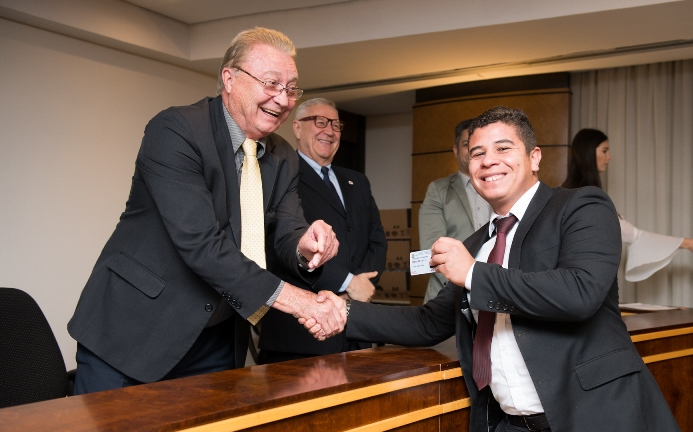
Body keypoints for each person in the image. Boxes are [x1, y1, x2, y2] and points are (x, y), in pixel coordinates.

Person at [325, 106, 684, 432]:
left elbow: (580, 292)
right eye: (477, 153)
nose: (488, 161)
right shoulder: (476, 244)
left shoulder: (581, 206)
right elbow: (428, 323)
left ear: (534, 157)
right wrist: (342, 312)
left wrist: (474, 274)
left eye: (503, 148)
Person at [68, 27, 345, 395]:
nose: (282, 99)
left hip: (218, 338)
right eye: (271, 83)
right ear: (229, 79)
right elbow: (202, 244)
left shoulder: (284, 156)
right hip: (134, 332)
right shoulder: (176, 131)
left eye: (291, 89)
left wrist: (304, 245)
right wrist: (302, 303)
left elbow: (287, 229)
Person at [258, 98, 387, 363]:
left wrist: (361, 286)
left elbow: (377, 242)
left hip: (356, 330)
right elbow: (278, 246)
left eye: (336, 125)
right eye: (320, 122)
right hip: (300, 337)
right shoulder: (279, 174)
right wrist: (347, 283)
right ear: (297, 128)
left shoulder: (357, 181)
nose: (329, 131)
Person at [562, 128, 693, 282]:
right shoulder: (586, 196)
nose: (609, 157)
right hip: (580, 281)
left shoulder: (570, 193)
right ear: (588, 152)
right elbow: (633, 235)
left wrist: (688, 243)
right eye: (604, 151)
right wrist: (689, 243)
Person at [418, 119, 491, 302]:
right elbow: (432, 248)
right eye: (467, 144)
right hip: (447, 295)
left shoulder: (500, 185)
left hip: (495, 290)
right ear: (456, 150)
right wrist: (469, 282)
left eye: (478, 145)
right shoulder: (438, 190)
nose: (473, 149)